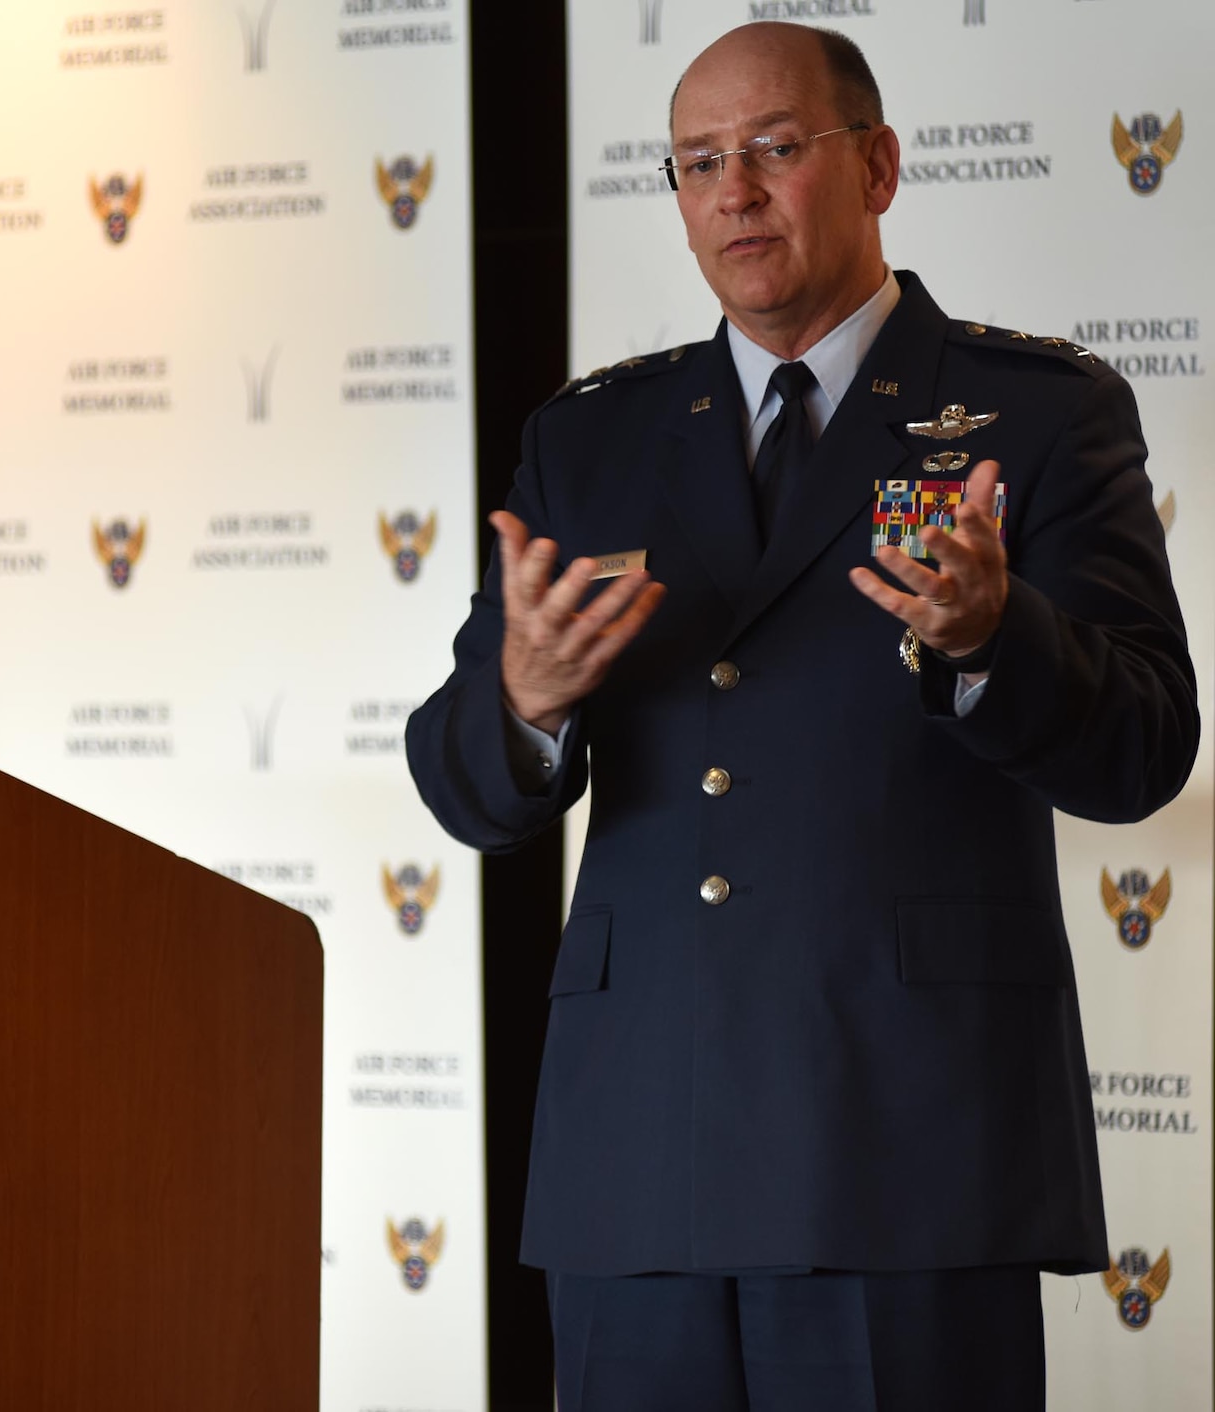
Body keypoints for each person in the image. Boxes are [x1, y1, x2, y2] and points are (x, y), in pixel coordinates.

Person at [405, 21, 1197, 1411]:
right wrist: (524, 702)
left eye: (774, 148)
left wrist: (989, 640)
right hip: (639, 1159)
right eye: (699, 161)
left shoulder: (1035, 412)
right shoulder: (589, 440)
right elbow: (466, 778)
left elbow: (1143, 750)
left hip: (909, 1151)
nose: (734, 191)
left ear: (878, 164)